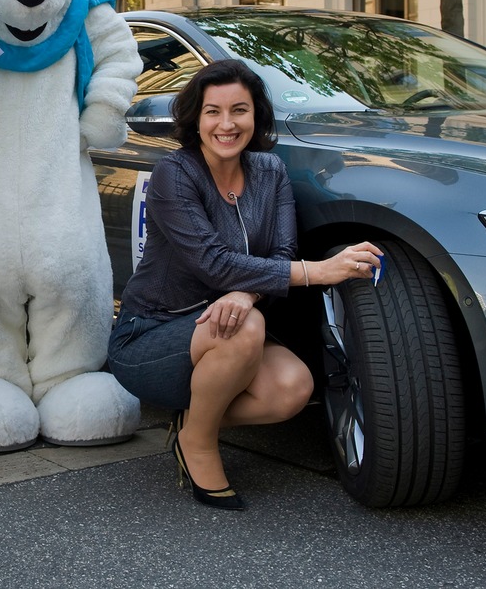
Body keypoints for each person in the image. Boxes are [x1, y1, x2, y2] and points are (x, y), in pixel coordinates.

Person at [107, 59, 381, 509]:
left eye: (240, 110)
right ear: (195, 118)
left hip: (230, 327)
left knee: (292, 388)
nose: (227, 124)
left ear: (257, 116)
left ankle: (194, 424)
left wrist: (246, 290)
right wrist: (322, 271)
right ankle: (200, 445)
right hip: (151, 334)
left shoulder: (269, 171)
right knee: (246, 326)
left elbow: (281, 253)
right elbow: (213, 262)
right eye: (213, 111)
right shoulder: (174, 176)